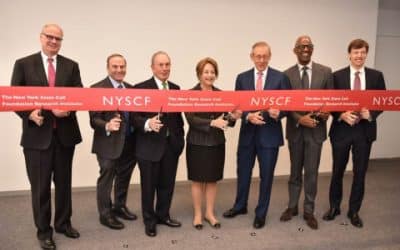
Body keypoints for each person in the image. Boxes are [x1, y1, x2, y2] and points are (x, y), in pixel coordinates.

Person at [10, 24, 82, 250]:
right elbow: (14, 97)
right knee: (40, 188)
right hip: (36, 137)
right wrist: (28, 113)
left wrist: (68, 109)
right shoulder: (23, 64)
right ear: (41, 37)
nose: (53, 41)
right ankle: (43, 231)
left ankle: (63, 223)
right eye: (49, 37)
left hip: (65, 136)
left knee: (63, 185)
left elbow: (79, 95)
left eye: (58, 38)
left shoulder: (71, 66)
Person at [223, 41, 291, 229]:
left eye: (264, 56)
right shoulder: (242, 78)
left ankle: (261, 213)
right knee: (243, 172)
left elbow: (287, 105)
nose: (261, 60)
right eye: (257, 56)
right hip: (247, 135)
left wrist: (280, 113)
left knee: (266, 176)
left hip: (269, 136)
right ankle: (240, 206)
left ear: (269, 56)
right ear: (251, 56)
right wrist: (247, 115)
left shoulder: (280, 77)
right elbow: (237, 107)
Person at [322, 39, 386, 228]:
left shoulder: (376, 76)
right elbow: (330, 103)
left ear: (366, 54)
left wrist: (371, 113)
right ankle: (334, 207)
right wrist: (341, 114)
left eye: (362, 52)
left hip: (364, 131)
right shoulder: (337, 76)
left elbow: (382, 102)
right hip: (341, 130)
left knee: (360, 174)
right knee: (337, 172)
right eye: (355, 52)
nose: (359, 56)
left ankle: (354, 211)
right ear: (349, 54)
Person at [280, 35, 333, 230]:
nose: (305, 49)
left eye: (308, 46)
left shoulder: (326, 72)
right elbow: (285, 103)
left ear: (312, 49)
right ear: (295, 50)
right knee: (295, 172)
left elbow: (331, 101)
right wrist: (299, 119)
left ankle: (308, 211)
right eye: (301, 46)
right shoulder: (286, 75)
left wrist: (324, 114)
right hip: (296, 131)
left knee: (311, 173)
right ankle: (292, 207)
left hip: (316, 132)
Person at [132, 51, 185, 237]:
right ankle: (150, 220)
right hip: (148, 147)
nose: (165, 68)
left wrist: (180, 141)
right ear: (152, 67)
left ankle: (163, 215)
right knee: (148, 186)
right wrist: (147, 124)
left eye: (167, 65)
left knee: (167, 184)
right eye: (161, 65)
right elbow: (134, 118)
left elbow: (179, 119)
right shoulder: (140, 88)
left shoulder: (176, 88)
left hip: (171, 146)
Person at [185, 57, 242, 230]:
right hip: (197, 143)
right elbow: (191, 119)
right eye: (206, 72)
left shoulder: (221, 94)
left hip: (216, 143)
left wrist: (233, 117)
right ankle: (197, 215)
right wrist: (211, 123)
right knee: (197, 180)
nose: (209, 75)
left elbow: (226, 120)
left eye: (212, 72)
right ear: (199, 74)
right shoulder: (190, 94)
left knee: (212, 181)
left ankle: (209, 213)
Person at [89, 54, 137, 230]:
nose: (119, 70)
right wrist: (107, 125)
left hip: (130, 142)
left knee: (124, 177)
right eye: (115, 67)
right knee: (107, 178)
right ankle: (105, 214)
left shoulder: (132, 89)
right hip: (107, 142)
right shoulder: (96, 89)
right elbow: (94, 120)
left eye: (122, 66)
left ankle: (119, 206)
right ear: (108, 67)